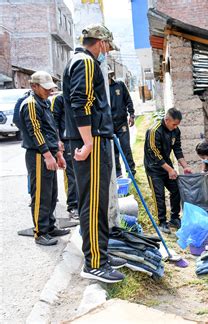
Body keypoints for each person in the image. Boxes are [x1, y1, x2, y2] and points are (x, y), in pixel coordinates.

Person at [62, 23, 125, 283]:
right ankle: (95, 262)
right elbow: (82, 102)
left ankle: (101, 253)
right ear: (99, 42)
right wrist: (88, 143)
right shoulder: (86, 63)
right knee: (93, 204)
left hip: (94, 139)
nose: (107, 52)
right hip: (92, 142)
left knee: (96, 203)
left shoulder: (79, 60)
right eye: (107, 47)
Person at [17, 71, 70, 246]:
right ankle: (40, 232)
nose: (49, 91)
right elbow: (36, 132)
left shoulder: (44, 102)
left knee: (51, 193)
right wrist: (48, 155)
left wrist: (58, 153)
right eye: (45, 88)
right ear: (34, 86)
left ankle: (50, 226)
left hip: (49, 154)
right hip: (38, 155)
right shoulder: (31, 104)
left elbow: (51, 128)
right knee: (40, 195)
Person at [144, 108, 192, 234]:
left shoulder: (175, 131)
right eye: (174, 124)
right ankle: (162, 222)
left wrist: (185, 166)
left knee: (176, 189)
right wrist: (170, 169)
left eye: (177, 125)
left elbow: (177, 149)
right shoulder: (154, 131)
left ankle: (175, 218)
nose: (176, 127)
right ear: (167, 120)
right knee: (159, 195)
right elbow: (155, 154)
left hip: (167, 165)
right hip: (153, 167)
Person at [50, 93, 79, 219]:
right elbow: (53, 121)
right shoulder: (59, 99)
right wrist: (58, 140)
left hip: (81, 139)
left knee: (82, 175)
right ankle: (73, 206)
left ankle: (83, 204)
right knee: (72, 176)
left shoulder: (80, 95)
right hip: (67, 141)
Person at [108, 69, 136, 177]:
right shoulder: (101, 88)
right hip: (109, 124)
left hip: (122, 122)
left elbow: (128, 100)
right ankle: (118, 174)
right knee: (114, 150)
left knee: (126, 147)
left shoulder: (119, 85)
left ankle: (131, 171)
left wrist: (132, 115)